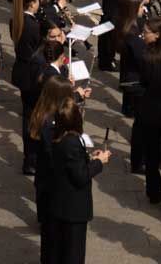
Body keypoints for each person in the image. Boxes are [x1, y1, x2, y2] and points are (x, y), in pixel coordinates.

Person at [43, 92, 111, 264]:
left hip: (60, 204)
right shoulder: (71, 142)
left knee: (59, 251)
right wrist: (99, 162)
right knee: (73, 254)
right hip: (73, 209)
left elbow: (70, 164)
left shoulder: (58, 136)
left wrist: (89, 158)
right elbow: (80, 176)